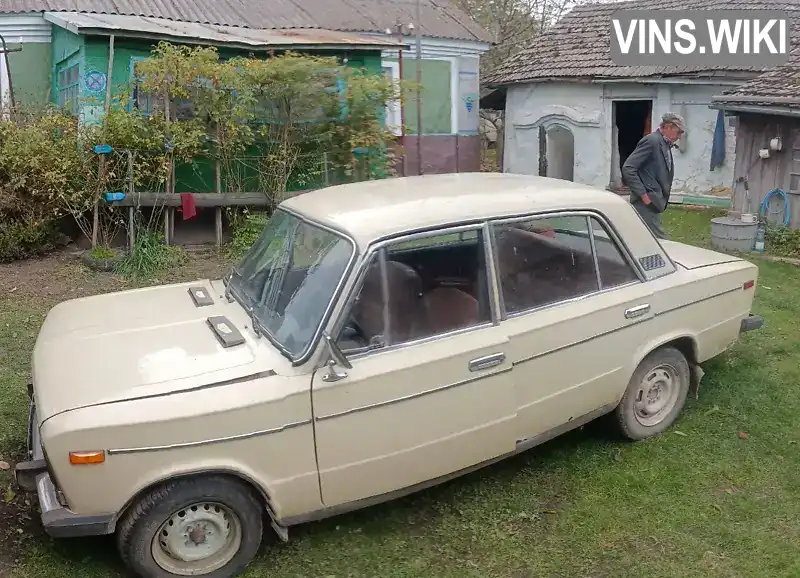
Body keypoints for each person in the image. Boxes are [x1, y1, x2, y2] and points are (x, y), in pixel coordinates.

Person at [621, 112, 685, 240]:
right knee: (662, 242)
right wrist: (644, 196)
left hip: (654, 202)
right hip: (646, 202)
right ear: (667, 127)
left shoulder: (663, 143)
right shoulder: (652, 140)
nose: (679, 136)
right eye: (678, 132)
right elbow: (629, 168)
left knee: (641, 239)